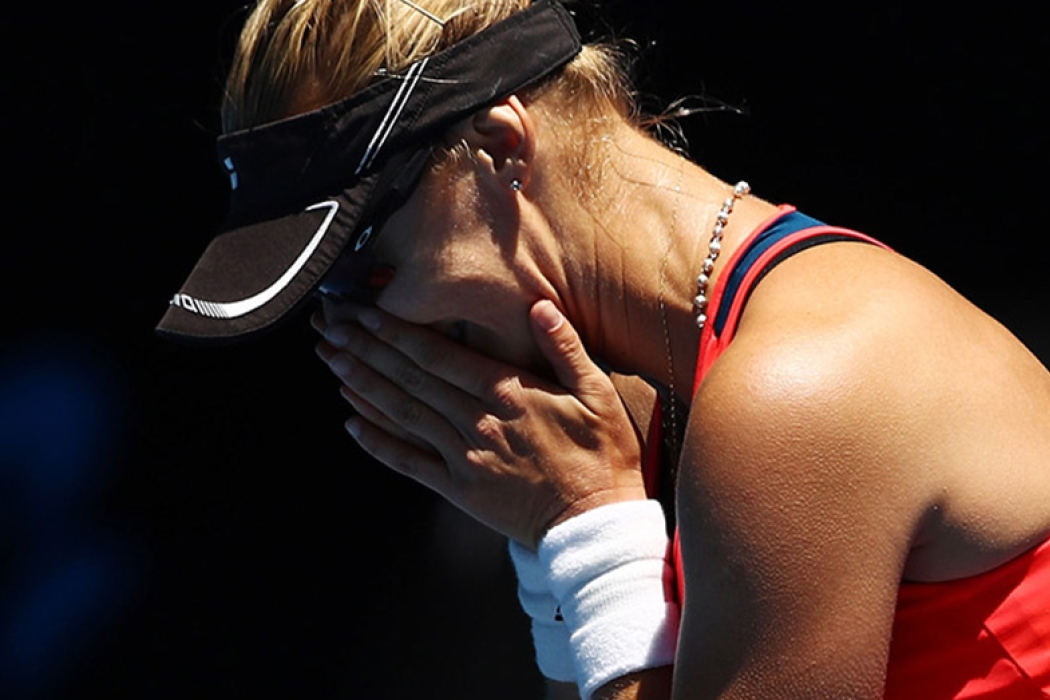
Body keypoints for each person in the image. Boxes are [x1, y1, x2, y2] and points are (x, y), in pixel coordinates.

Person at [157, 1, 1050, 697]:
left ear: (498, 149)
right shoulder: (647, 403)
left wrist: (584, 533)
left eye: (364, 267)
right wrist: (569, 548)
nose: (363, 332)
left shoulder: (796, 392)